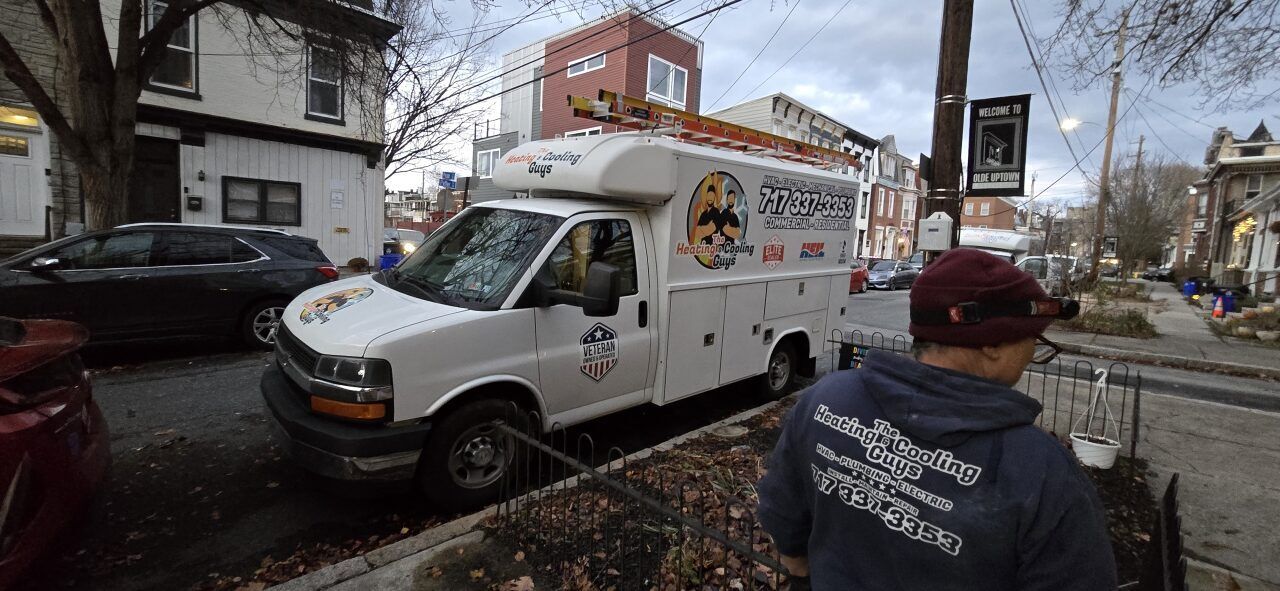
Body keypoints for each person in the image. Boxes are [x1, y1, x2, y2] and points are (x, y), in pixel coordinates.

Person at [757, 248, 1117, 590]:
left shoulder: (826, 398)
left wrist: (809, 578)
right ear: (990, 343)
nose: (1031, 352)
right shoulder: (1043, 475)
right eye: (1032, 338)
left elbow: (784, 520)